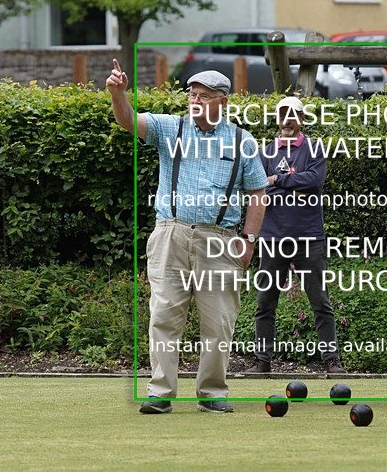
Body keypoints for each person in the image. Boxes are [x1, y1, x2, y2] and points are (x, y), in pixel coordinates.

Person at [106, 60, 268, 414]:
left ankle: (212, 393)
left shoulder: (243, 140)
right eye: (192, 94)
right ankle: (161, 392)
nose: (196, 100)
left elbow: (258, 192)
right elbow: (129, 121)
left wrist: (249, 239)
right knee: (164, 314)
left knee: (219, 320)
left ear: (223, 101)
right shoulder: (171, 128)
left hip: (220, 238)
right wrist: (118, 94)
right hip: (171, 233)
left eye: (205, 96)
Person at [245, 96, 344, 375]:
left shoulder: (314, 149)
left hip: (309, 238)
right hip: (272, 238)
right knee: (265, 302)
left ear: (302, 119)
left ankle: (331, 361)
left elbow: (315, 181)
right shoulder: (264, 153)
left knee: (320, 303)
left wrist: (278, 180)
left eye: (294, 114)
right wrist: (291, 186)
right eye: (283, 114)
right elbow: (259, 190)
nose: (288, 119)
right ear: (277, 119)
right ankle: (262, 361)